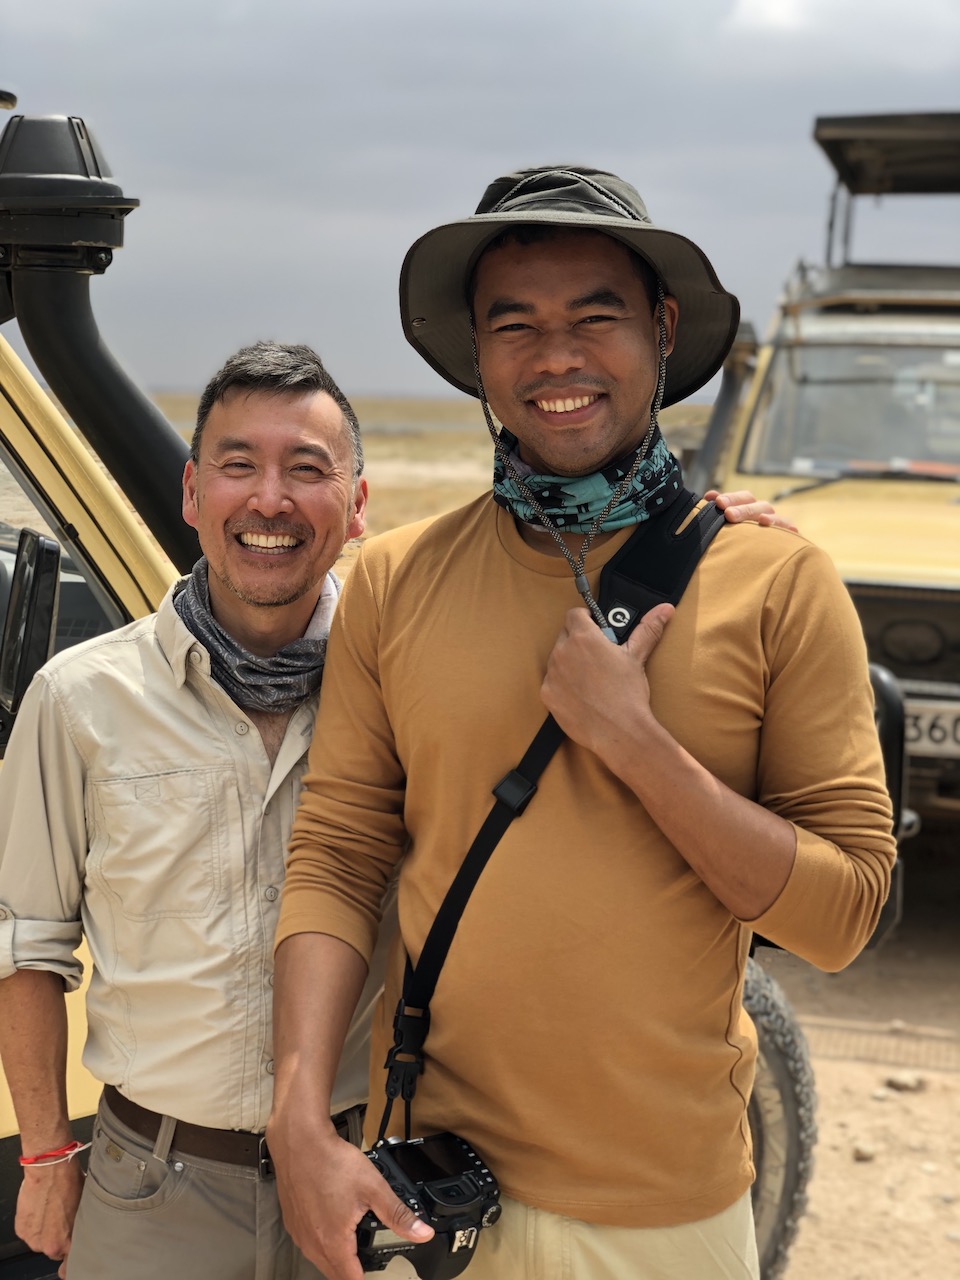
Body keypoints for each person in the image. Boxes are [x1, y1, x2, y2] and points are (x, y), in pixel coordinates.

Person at [267, 168, 898, 1280]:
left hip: (666, 1212)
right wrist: (299, 1119)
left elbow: (844, 913)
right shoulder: (393, 582)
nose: (555, 355)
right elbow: (339, 852)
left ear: (661, 330)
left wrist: (639, 746)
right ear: (477, 354)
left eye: (593, 315)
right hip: (426, 1192)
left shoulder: (777, 582)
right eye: (516, 323)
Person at [0, 341, 395, 1280]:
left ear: (358, 507)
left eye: (308, 469)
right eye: (238, 466)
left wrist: (703, 537)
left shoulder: (404, 692)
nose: (270, 500)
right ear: (190, 493)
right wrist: (50, 1154)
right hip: (153, 1193)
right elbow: (25, 942)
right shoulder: (79, 699)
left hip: (360, 1179)